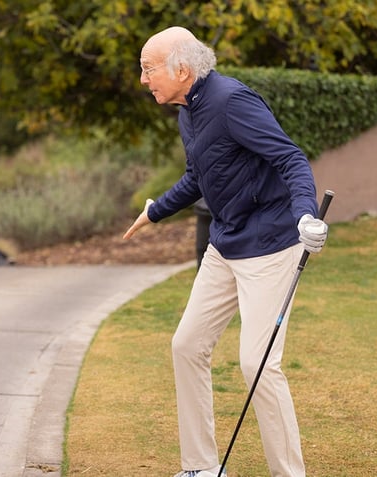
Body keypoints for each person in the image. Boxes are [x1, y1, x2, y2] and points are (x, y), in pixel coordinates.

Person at [123, 27, 328, 477]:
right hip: (226, 244)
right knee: (187, 345)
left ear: (182, 68)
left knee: (258, 363)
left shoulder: (233, 101)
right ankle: (200, 468)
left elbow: (290, 158)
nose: (143, 79)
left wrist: (306, 215)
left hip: (272, 246)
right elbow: (199, 176)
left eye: (147, 68)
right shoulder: (186, 111)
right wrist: (156, 211)